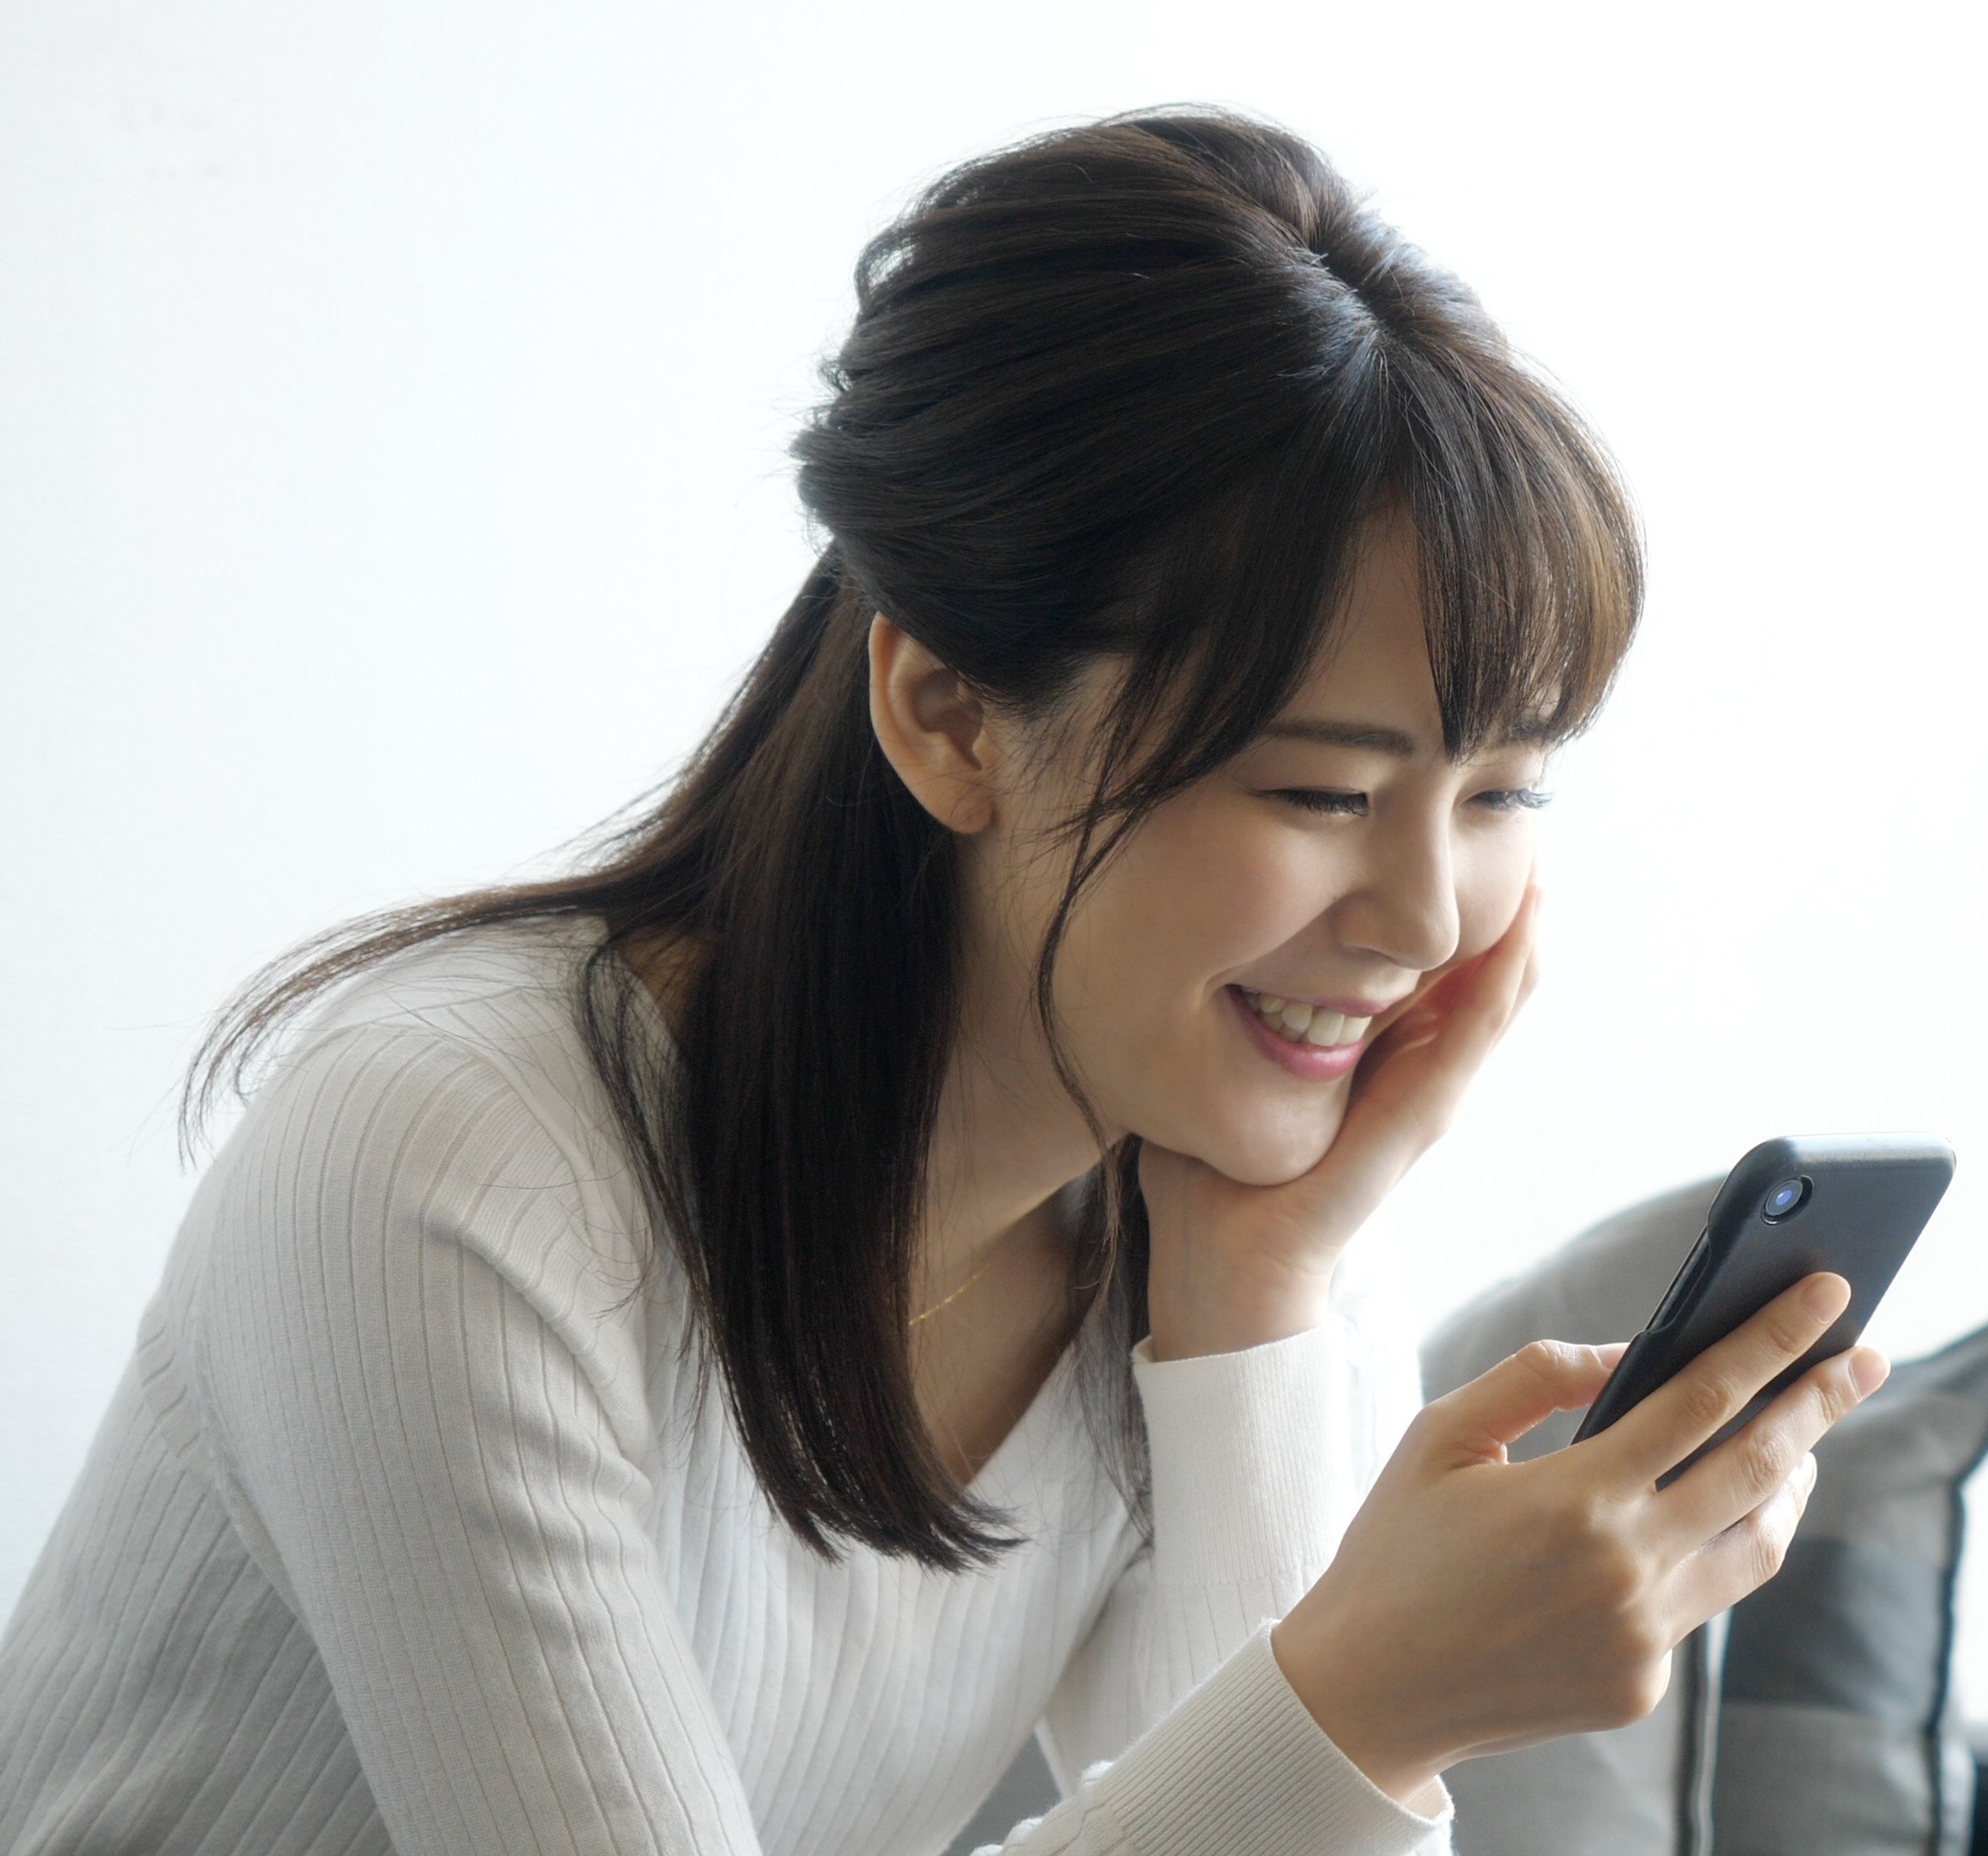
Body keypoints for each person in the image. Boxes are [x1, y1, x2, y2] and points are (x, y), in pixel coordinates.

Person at [0, 108, 1886, 1856]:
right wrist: (1368, 1704)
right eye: (1320, 789)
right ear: (949, 715)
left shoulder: (1214, 1192)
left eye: (1501, 792)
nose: (1421, 916)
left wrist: (1258, 1301)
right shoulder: (452, 1163)